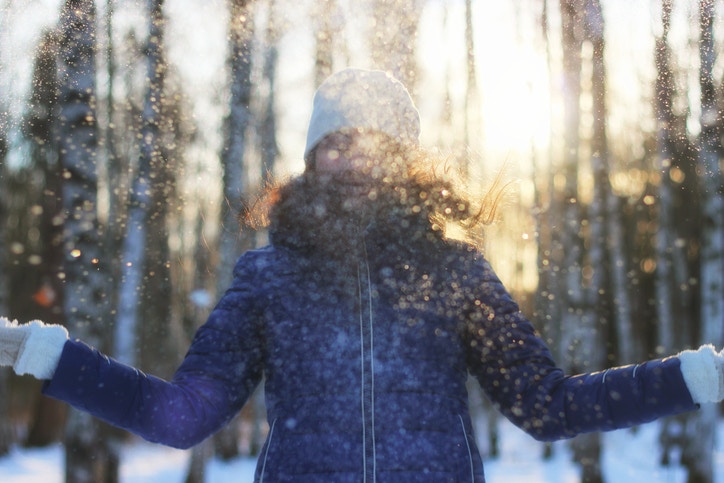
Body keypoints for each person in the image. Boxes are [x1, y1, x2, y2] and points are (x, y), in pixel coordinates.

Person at [0, 68, 722, 482]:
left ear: (405, 163)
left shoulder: (457, 271)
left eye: (374, 148)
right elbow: (178, 417)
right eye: (336, 146)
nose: (353, 163)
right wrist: (47, 355)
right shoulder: (267, 278)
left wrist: (694, 378)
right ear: (313, 158)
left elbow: (548, 405)